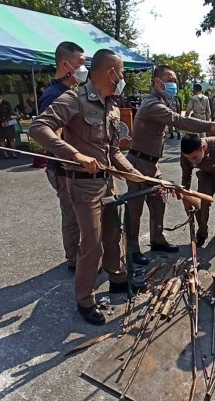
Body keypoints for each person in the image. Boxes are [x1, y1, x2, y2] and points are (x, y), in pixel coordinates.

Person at [29, 49, 140, 326]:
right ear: (110, 73)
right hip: (82, 186)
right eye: (122, 73)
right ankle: (85, 299)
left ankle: (117, 278)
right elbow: (38, 128)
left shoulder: (112, 106)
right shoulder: (73, 98)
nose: (123, 78)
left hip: (106, 182)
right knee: (92, 245)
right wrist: (74, 155)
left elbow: (113, 152)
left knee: (114, 234)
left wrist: (135, 175)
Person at [126, 64, 215, 266]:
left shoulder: (162, 101)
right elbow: (179, 121)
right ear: (157, 81)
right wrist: (214, 125)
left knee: (158, 203)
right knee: (135, 209)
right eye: (169, 79)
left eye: (174, 80)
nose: (173, 84)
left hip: (152, 163)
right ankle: (133, 249)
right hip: (139, 162)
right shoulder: (152, 104)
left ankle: (157, 240)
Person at [39, 41, 88, 273]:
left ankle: (80, 254)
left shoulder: (72, 92)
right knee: (72, 215)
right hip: (62, 168)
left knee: (80, 215)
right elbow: (53, 137)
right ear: (65, 64)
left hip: (75, 167)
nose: (84, 67)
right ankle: (74, 260)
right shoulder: (54, 96)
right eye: (81, 63)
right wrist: (74, 157)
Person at [0, 89, 18, 158]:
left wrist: (7, 120)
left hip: (8, 122)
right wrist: (2, 120)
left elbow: (10, 112)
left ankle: (14, 153)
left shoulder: (7, 103)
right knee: (1, 139)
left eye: (0, 95)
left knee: (11, 138)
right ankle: (5, 153)